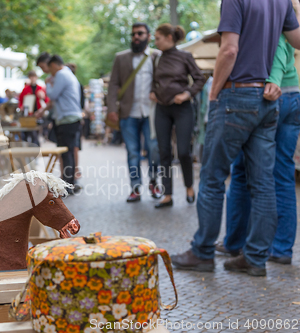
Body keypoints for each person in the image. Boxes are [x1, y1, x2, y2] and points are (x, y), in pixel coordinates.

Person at [172, 0, 300, 277]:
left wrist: (214, 91)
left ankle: (203, 251)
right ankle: (254, 257)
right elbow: (297, 40)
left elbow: (229, 49)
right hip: (267, 102)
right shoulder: (282, 2)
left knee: (212, 178)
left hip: (236, 94)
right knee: (264, 184)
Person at [218, 33, 300, 266]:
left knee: (243, 170)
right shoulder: (286, 16)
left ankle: (235, 242)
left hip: (269, 92)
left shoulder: (263, 12)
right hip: (293, 94)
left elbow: (275, 46)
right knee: (283, 173)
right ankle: (282, 248)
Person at [150, 24, 205, 209]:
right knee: (164, 152)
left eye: (158, 38)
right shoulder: (156, 59)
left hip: (182, 108)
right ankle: (167, 195)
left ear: (169, 38)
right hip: (162, 109)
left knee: (183, 151)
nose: (155, 41)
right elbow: (154, 81)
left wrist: (187, 94)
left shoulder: (185, 56)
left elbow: (199, 79)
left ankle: (189, 186)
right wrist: (152, 92)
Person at [107, 22, 163, 203]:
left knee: (154, 149)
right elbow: (113, 84)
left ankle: (154, 181)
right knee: (132, 152)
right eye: (133, 34)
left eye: (140, 34)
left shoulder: (157, 56)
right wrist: (112, 109)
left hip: (152, 112)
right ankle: (135, 187)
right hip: (128, 112)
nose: (136, 37)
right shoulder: (121, 58)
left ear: (148, 36)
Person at [37, 55, 82, 192]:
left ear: (55, 65)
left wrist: (48, 84)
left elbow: (52, 95)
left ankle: (67, 185)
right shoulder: (67, 74)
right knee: (68, 152)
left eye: (49, 68)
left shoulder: (61, 74)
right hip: (70, 118)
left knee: (66, 152)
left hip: (67, 119)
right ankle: (70, 183)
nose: (49, 72)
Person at [18, 70, 49, 146]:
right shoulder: (25, 89)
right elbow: (20, 100)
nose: (32, 78)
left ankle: (36, 146)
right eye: (31, 77)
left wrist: (43, 97)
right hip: (29, 113)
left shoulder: (41, 88)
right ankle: (31, 146)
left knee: (36, 132)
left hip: (38, 112)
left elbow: (47, 100)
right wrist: (21, 107)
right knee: (29, 131)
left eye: (34, 77)